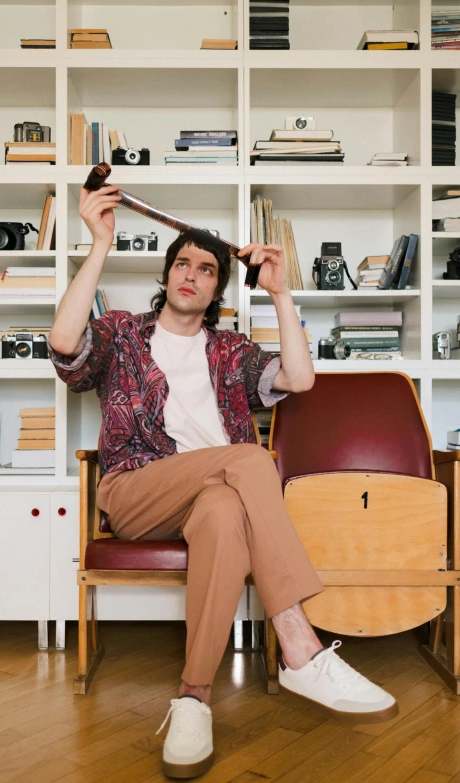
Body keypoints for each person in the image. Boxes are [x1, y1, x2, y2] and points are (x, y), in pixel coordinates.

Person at [48, 182, 398, 780]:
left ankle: (193, 697)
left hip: (212, 494)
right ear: (166, 275)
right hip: (136, 490)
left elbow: (300, 379)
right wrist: (99, 244)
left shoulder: (231, 350)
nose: (191, 274)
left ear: (217, 289)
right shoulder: (123, 335)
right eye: (181, 263)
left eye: (206, 269)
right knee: (249, 459)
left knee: (222, 510)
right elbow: (63, 345)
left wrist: (282, 293)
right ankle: (300, 645)